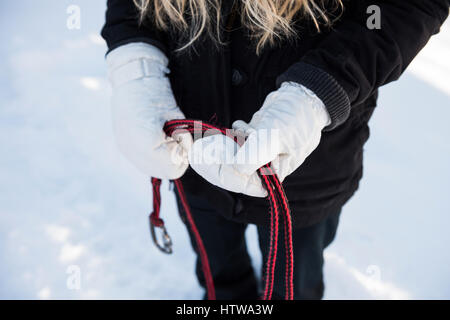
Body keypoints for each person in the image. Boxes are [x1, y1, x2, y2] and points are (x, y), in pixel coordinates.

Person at [101, 0, 449, 299]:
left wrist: (315, 95)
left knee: (295, 283)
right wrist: (137, 69)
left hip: (309, 171)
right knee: (219, 272)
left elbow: (404, 7)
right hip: (194, 156)